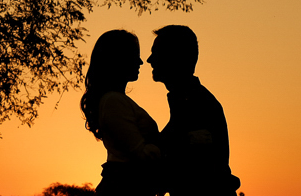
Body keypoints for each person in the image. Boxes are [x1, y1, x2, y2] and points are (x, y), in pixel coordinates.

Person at [148, 25, 241, 196]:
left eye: (156, 52)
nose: (149, 60)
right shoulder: (186, 100)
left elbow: (192, 168)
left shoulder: (198, 104)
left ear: (174, 57)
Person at [81, 29, 162, 195]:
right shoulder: (113, 101)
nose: (140, 62)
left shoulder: (117, 100)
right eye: (134, 55)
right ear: (118, 59)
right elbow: (142, 154)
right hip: (123, 188)